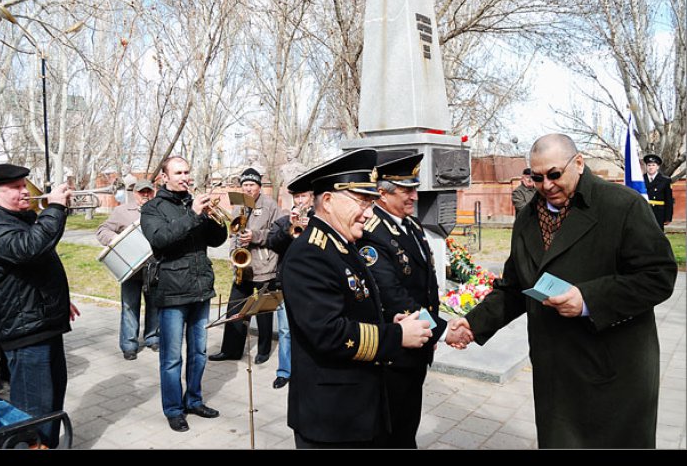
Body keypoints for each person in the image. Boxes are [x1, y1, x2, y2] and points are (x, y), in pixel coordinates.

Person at [447, 134, 678, 449]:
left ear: (579, 163)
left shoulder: (622, 205)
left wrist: (588, 300)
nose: (547, 185)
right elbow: (515, 287)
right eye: (537, 176)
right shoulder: (528, 219)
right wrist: (474, 323)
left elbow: (659, 275)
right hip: (556, 373)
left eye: (555, 174)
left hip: (613, 371)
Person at [280, 148, 434, 449]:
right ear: (327, 201)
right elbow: (328, 333)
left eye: (371, 202)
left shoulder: (342, 243)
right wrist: (396, 335)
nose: (368, 212)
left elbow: (356, 305)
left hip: (356, 410)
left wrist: (390, 319)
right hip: (332, 418)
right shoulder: (309, 254)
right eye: (362, 202)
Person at [356, 152, 449, 449]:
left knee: (407, 424)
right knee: (391, 430)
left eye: (414, 188)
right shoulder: (374, 234)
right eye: (406, 190)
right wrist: (439, 329)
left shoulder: (410, 225)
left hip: (416, 344)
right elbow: (393, 295)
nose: (414, 195)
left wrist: (429, 330)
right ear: (382, 193)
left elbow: (425, 286)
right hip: (394, 351)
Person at [0, 164, 80, 448]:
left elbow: (35, 268)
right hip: (24, 332)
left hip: (42, 324)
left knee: (51, 407)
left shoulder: (18, 217)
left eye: (23, 184)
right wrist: (54, 208)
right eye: (14, 188)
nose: (24, 191)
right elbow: (29, 248)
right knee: (33, 415)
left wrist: (59, 301)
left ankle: (48, 446)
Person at [140, 156, 228, 433]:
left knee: (199, 353)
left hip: (200, 287)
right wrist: (193, 216)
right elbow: (160, 240)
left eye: (187, 171)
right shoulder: (152, 208)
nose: (184, 177)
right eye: (178, 172)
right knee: (171, 357)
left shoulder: (194, 203)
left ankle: (194, 400)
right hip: (172, 291)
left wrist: (213, 217)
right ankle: (174, 409)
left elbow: (217, 240)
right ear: (164, 177)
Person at [209, 168, 280, 364]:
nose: (248, 189)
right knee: (235, 309)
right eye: (245, 185)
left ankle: (264, 350)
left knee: (263, 311)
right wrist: (233, 255)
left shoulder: (271, 205)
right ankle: (230, 350)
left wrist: (255, 236)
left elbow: (278, 234)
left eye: (252, 185)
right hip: (243, 267)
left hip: (264, 267)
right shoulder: (238, 205)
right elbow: (233, 234)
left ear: (259, 186)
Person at [96, 179, 159, 360]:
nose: (145, 195)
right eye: (141, 192)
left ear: (153, 192)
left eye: (149, 191)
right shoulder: (121, 211)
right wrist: (118, 241)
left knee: (154, 305)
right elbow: (102, 230)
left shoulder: (159, 210)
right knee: (129, 306)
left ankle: (152, 338)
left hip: (154, 268)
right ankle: (129, 345)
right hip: (130, 269)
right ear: (134, 193)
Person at [266, 186, 314, 389]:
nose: (300, 200)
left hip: (311, 284)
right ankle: (285, 371)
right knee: (285, 330)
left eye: (304, 195)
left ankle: (309, 370)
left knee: (310, 329)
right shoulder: (284, 221)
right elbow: (272, 242)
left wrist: (311, 226)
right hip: (287, 283)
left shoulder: (319, 221)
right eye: (297, 196)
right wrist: (289, 228)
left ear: (312, 198)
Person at [643, 154, 673, 230]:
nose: (651, 167)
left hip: (659, 212)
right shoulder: (640, 180)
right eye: (649, 165)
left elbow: (669, 200)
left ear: (657, 167)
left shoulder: (665, 180)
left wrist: (668, 217)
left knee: (657, 235)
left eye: (653, 165)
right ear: (646, 166)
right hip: (644, 211)